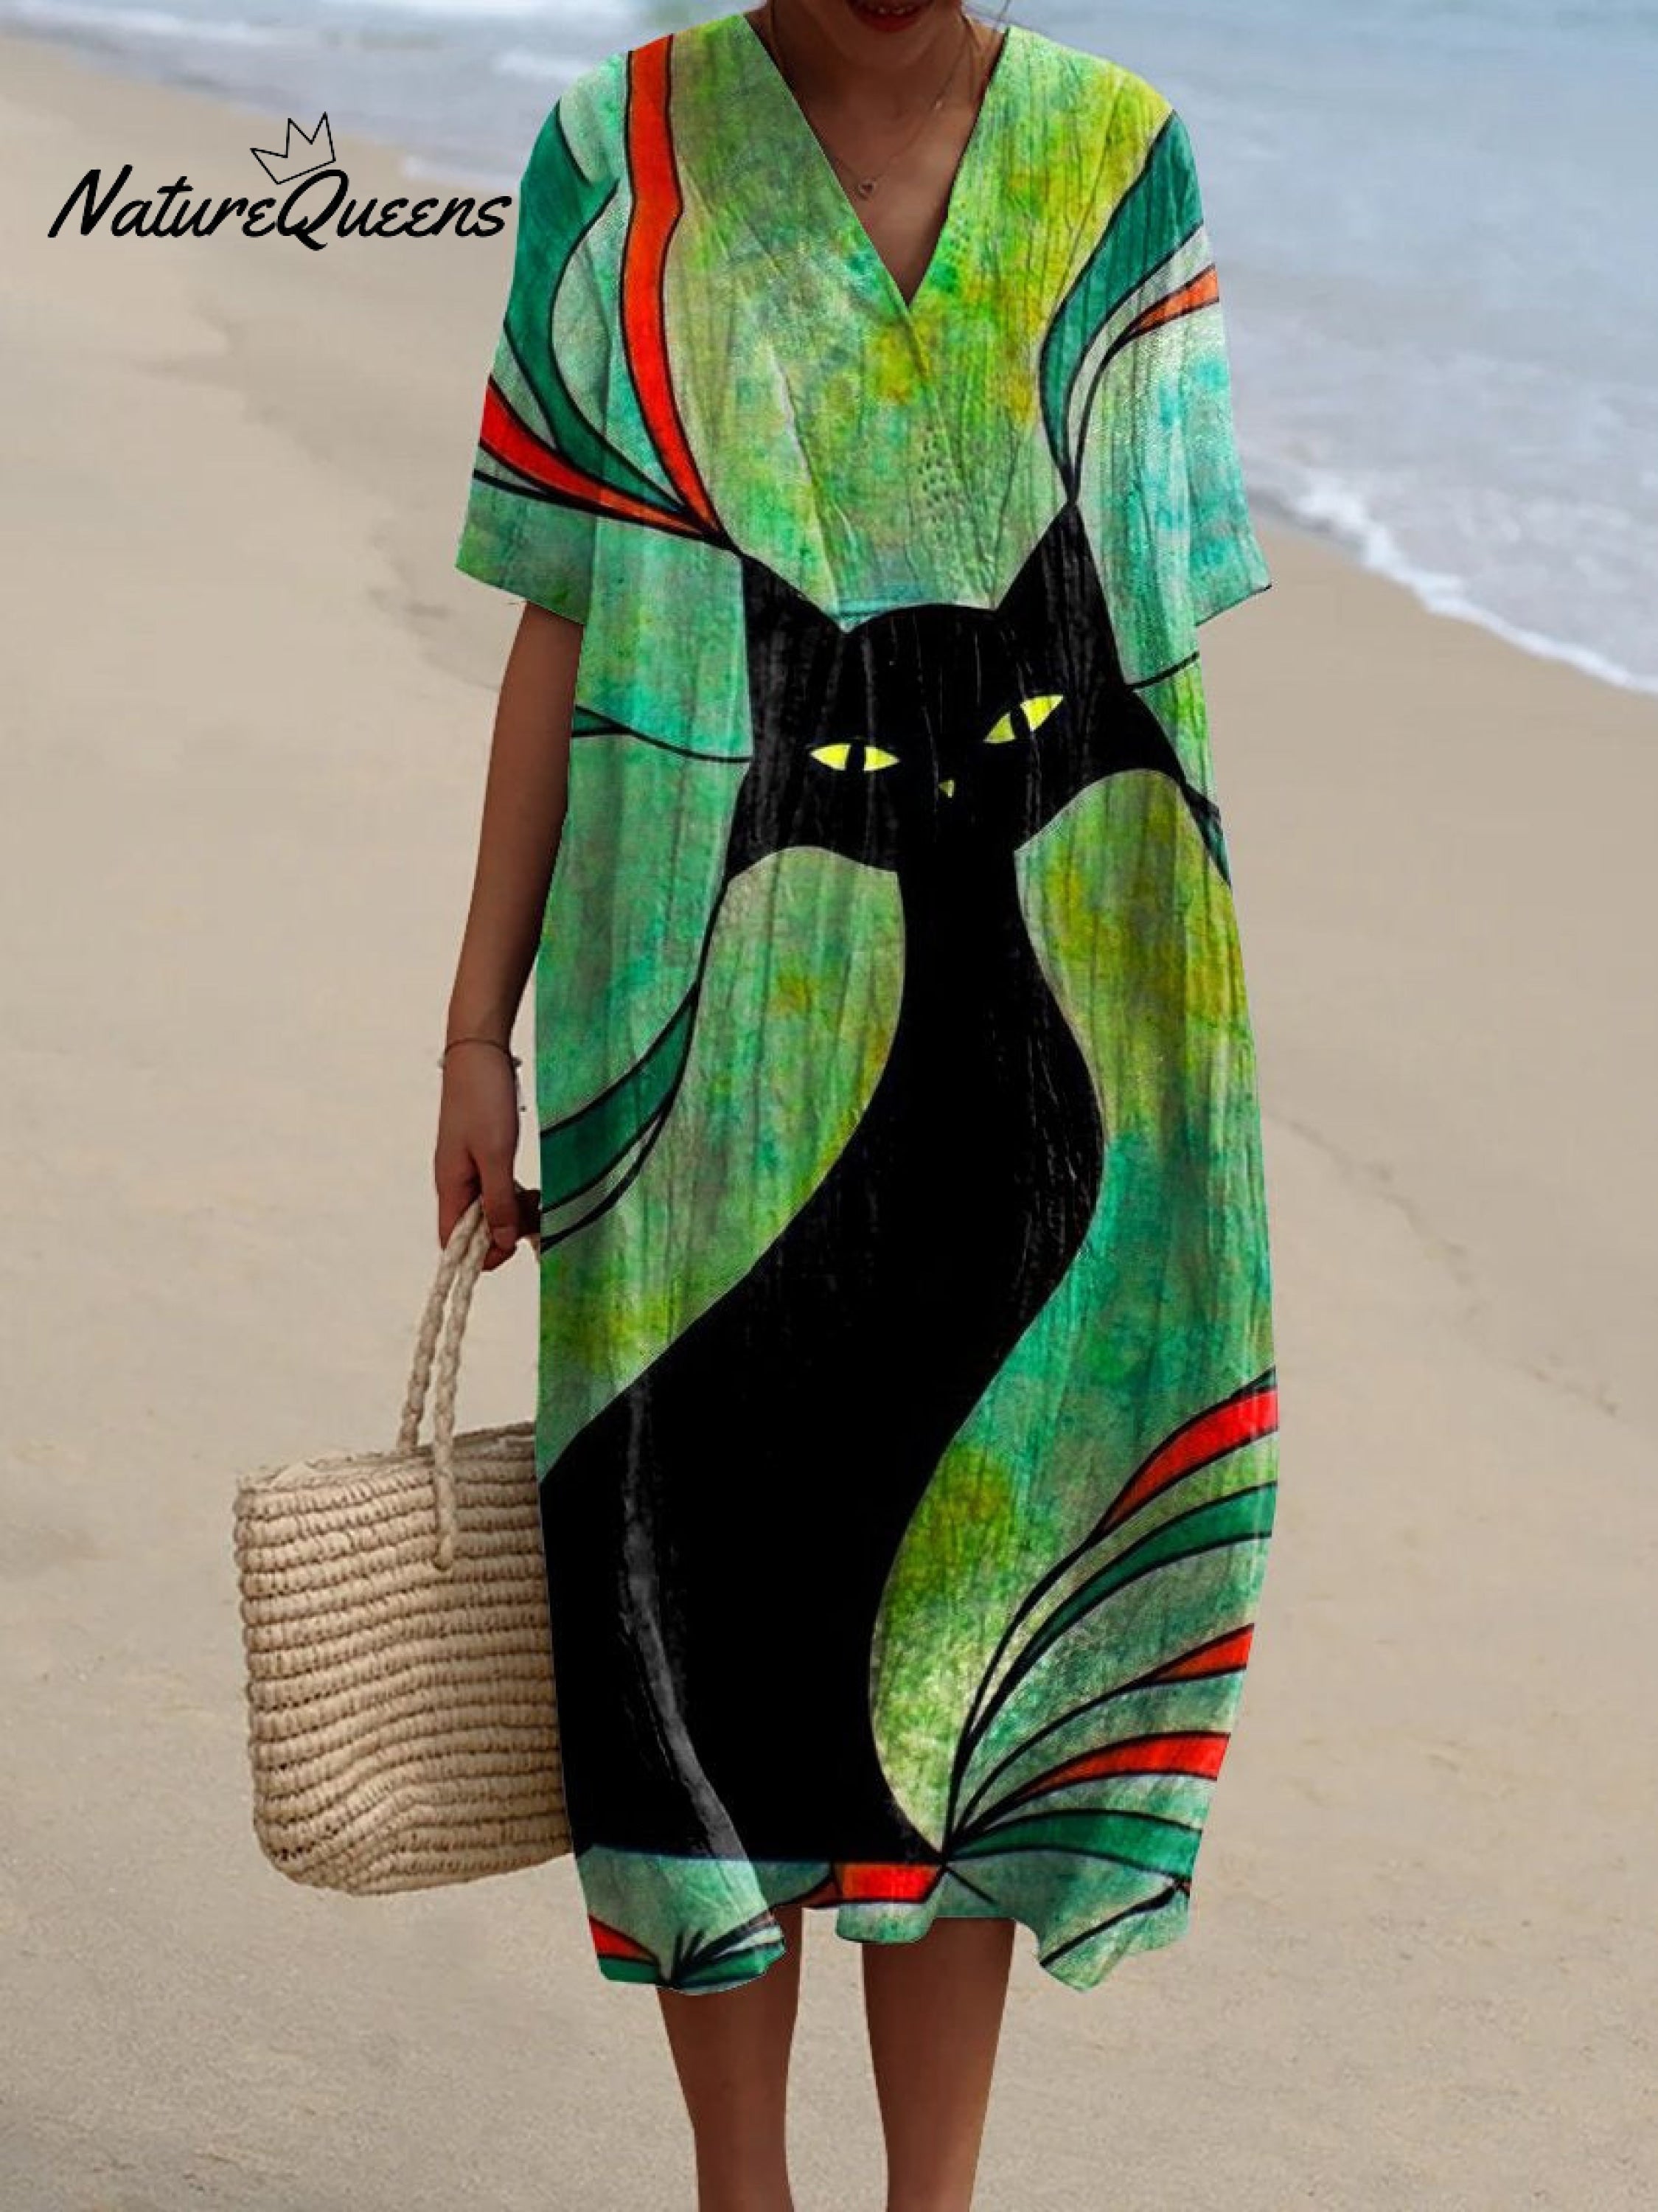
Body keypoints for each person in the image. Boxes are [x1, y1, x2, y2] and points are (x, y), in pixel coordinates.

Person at [438, 3, 1281, 2206]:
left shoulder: (1118, 164)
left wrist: (1166, 1080)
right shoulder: (621, 151)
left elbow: (1150, 648)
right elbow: (557, 617)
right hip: (687, 1027)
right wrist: (475, 1029)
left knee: (966, 1632)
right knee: (694, 1621)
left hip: (1067, 1027)